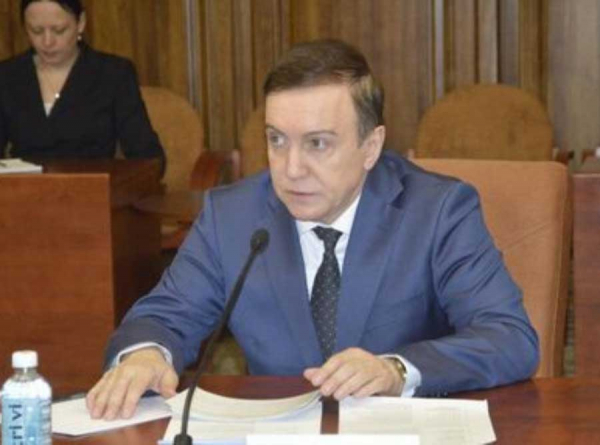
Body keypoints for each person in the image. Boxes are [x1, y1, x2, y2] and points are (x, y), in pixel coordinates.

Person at [86, 39, 539, 420]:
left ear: (371, 146)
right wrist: (146, 355)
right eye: (276, 140)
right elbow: (163, 317)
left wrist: (397, 370)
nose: (291, 169)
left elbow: (509, 338)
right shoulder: (232, 217)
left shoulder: (436, 211)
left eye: (317, 143)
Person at [0, 0, 164, 164]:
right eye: (36, 31)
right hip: (25, 180)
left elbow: (147, 155)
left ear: (81, 23)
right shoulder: (7, 76)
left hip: (94, 178)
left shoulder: (113, 74)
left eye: (59, 30)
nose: (47, 42)